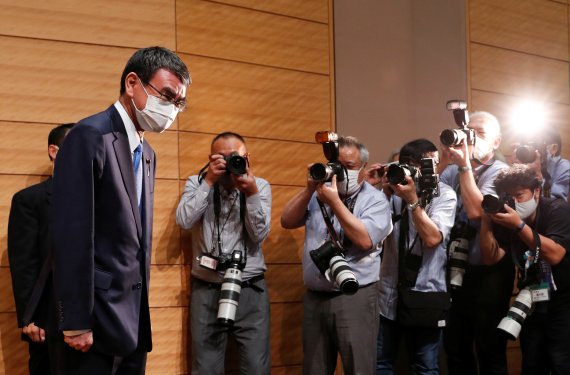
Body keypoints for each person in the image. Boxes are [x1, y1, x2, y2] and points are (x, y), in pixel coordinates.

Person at [50, 46, 190, 374]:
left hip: (131, 324)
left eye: (179, 102)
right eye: (167, 95)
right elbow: (71, 234)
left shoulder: (148, 153)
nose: (172, 108)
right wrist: (75, 321)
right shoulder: (90, 135)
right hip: (91, 322)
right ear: (132, 84)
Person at [281, 135, 392, 375]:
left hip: (355, 297)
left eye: (349, 167)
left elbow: (364, 240)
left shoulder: (375, 201)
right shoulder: (319, 193)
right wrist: (309, 189)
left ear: (363, 168)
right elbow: (287, 221)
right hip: (315, 297)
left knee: (358, 368)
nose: (341, 172)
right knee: (314, 369)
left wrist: (335, 203)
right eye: (338, 165)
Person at [176, 132, 271, 375]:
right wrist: (208, 182)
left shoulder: (259, 186)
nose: (229, 165)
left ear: (247, 158)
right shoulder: (197, 183)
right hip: (207, 289)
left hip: (250, 289)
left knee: (256, 368)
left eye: (235, 158)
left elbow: (259, 235)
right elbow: (184, 221)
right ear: (211, 158)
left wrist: (250, 194)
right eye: (222, 158)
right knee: (205, 367)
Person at [439, 111, 513, 375]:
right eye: (468, 132)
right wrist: (443, 161)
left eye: (480, 134)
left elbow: (475, 211)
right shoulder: (452, 170)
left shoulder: (501, 172)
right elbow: (431, 203)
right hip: (456, 271)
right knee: (456, 351)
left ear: (496, 142)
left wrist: (463, 167)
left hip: (489, 272)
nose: (471, 138)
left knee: (490, 350)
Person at [374, 139, 456, 375]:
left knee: (425, 367)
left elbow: (432, 239)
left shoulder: (445, 194)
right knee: (381, 363)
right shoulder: (390, 192)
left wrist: (412, 201)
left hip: (426, 294)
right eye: (429, 163)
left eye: (435, 163)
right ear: (411, 165)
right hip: (388, 295)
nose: (434, 168)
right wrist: (372, 188)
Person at [479, 164, 570, 374]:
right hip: (534, 299)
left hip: (564, 300)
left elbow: (555, 255)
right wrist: (486, 219)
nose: (514, 202)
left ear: (536, 192)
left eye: (519, 195)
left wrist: (520, 226)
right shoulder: (507, 221)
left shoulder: (557, 210)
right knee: (531, 363)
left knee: (561, 362)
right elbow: (491, 257)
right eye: (508, 197)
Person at [8, 123, 73, 375]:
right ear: (54, 151)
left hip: (90, 322)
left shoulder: (97, 199)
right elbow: (24, 263)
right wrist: (29, 317)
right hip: (45, 319)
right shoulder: (28, 201)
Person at [511, 129, 570, 200]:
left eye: (536, 146)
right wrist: (515, 171)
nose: (531, 150)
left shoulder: (565, 168)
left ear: (554, 148)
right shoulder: (526, 163)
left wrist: (538, 175)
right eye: (528, 146)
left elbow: (556, 205)